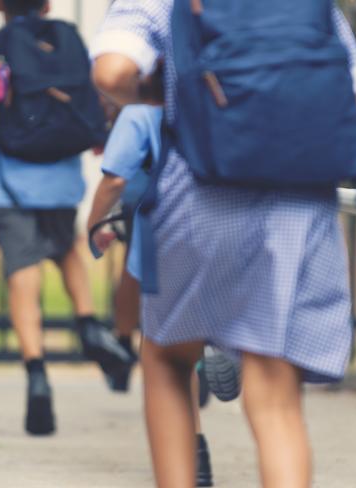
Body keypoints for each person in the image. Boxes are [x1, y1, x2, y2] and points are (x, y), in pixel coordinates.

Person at [91, 1, 356, 487]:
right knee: (275, 394)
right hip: (300, 199)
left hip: (202, 191)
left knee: (167, 356)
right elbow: (354, 94)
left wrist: (153, 91)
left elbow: (111, 71)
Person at [0, 0, 131, 437]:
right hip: (58, 180)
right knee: (67, 250)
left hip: (4, 185)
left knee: (23, 272)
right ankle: (88, 325)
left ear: (1, 8)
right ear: (47, 5)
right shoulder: (67, 45)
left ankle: (37, 375)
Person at [88, 104, 213, 486]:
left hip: (166, 223)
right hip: (232, 212)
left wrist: (93, 225)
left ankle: (195, 459)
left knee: (167, 350)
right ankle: (222, 348)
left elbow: (114, 180)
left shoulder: (141, 109)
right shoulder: (224, 86)